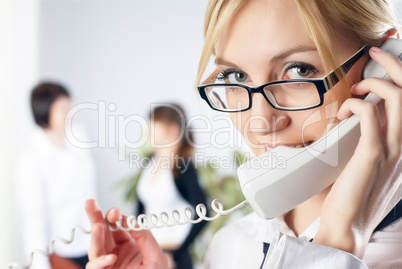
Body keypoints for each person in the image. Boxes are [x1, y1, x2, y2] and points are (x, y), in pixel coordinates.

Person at [84, 0, 402, 268]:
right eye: (236, 75)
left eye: (300, 70)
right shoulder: (232, 247)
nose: (259, 121)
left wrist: (337, 247)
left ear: (386, 64)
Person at [15, 82, 97, 269]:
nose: (70, 114)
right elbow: (34, 220)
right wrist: (40, 265)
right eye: (63, 109)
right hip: (61, 251)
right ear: (45, 111)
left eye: (70, 106)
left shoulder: (79, 135)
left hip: (91, 242)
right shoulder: (31, 161)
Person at [134, 104, 207, 268]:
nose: (148, 128)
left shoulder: (183, 167)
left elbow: (204, 213)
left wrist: (176, 253)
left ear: (173, 129)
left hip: (173, 259)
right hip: (148, 254)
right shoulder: (149, 163)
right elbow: (140, 210)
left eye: (153, 123)